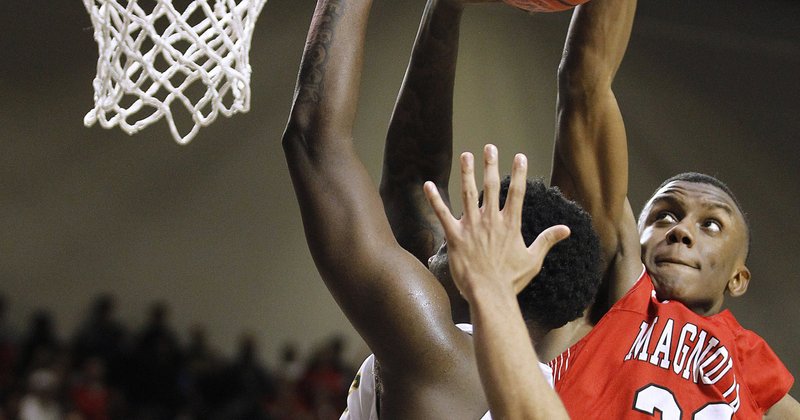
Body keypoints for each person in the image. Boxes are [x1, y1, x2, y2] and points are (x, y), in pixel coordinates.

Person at [281, 0, 601, 418]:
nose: (455, 225)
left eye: (478, 222)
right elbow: (413, 179)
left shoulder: (439, 354)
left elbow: (314, 142)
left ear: (515, 264)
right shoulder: (510, 373)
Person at [543, 0, 798, 417]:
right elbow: (584, 89)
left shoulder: (751, 365)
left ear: (738, 278)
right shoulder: (609, 300)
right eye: (665, 215)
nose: (681, 231)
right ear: (636, 236)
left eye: (712, 225)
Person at [423, 146, 572, 419]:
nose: (464, 223)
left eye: (487, 226)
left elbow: (326, 157)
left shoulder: (431, 348)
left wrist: (490, 280)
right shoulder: (540, 384)